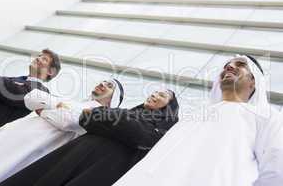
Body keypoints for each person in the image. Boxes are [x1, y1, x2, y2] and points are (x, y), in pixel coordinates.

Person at [113, 55, 283, 186]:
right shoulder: (192, 118)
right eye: (227, 66)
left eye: (241, 65)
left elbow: (275, 172)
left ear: (253, 82)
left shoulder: (267, 117)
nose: (229, 67)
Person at [0, 89, 179, 186]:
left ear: (169, 106)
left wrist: (104, 116)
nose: (154, 95)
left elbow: (141, 136)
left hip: (102, 167)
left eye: (161, 95)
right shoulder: (126, 112)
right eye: (154, 92)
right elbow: (85, 120)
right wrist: (114, 121)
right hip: (76, 153)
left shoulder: (162, 127)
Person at [0, 79, 124, 186]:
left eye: (109, 86)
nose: (103, 84)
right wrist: (57, 106)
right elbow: (31, 98)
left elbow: (67, 121)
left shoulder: (100, 115)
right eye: (103, 82)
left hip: (30, 145)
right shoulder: (78, 103)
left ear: (113, 99)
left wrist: (43, 110)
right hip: (16, 134)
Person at [0, 49, 61, 139]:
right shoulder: (18, 79)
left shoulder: (41, 92)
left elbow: (9, 89)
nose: (38, 58)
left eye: (44, 59)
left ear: (50, 72)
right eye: (39, 56)